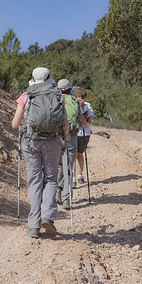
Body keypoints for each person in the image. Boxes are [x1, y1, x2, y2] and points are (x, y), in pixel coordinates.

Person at [12, 67, 70, 238]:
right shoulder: (57, 95)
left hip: (31, 142)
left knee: (35, 181)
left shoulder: (26, 95)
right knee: (51, 179)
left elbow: (15, 124)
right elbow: (65, 124)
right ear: (49, 79)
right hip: (52, 141)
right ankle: (48, 216)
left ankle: (33, 225)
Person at [56, 79, 87, 210]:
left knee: (58, 166)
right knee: (68, 167)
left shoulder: (55, 101)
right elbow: (84, 123)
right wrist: (83, 124)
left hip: (56, 137)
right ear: (70, 90)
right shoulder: (75, 102)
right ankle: (67, 199)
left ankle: (58, 191)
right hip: (72, 137)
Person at [72, 88, 95, 187]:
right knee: (80, 155)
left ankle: (72, 179)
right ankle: (80, 176)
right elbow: (91, 120)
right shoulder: (87, 105)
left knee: (72, 156)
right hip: (84, 133)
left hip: (73, 132)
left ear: (74, 96)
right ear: (85, 97)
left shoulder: (71, 103)